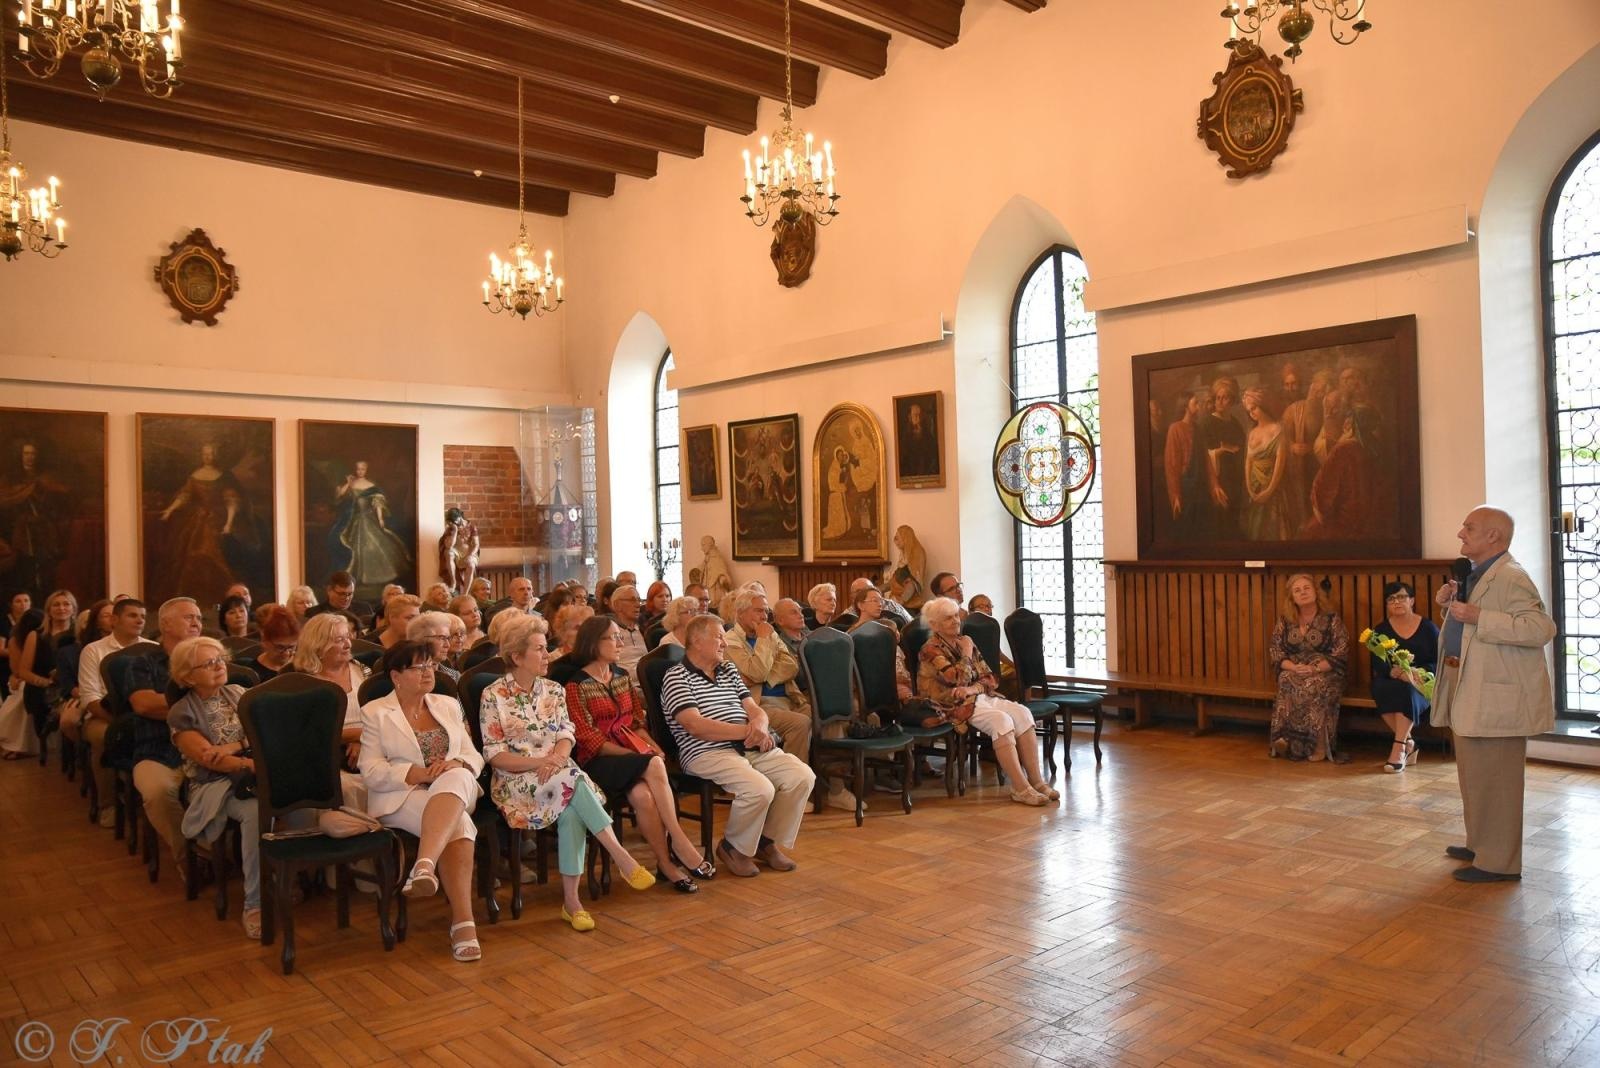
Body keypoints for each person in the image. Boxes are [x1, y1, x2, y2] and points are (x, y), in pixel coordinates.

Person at [478, 617, 656, 931]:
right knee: (574, 781)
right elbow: (495, 754)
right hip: (516, 780)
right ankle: (621, 857)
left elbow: (566, 733)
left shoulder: (554, 690)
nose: (547, 655)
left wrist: (558, 758)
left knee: (571, 803)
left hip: (558, 772)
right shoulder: (493, 696)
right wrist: (542, 763)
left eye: (545, 648)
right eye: (539, 649)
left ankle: (572, 903)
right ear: (517, 656)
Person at [1431, 506, 1557, 883]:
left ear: (1493, 536)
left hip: (1497, 696)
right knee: (1476, 775)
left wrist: (1478, 617)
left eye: (1469, 528)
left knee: (1498, 780)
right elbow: (1473, 625)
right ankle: (1481, 844)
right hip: (1471, 685)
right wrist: (1451, 606)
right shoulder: (1479, 573)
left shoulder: (1511, 576)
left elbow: (1540, 628)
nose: (1460, 533)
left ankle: (1499, 863)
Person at [564, 615, 713, 892]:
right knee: (653, 764)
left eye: (620, 637)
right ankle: (680, 841)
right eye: (614, 638)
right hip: (598, 761)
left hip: (632, 757)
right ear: (594, 643)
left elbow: (635, 722)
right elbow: (588, 738)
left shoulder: (621, 676)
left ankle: (666, 864)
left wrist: (651, 745)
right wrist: (637, 756)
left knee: (643, 796)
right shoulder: (576, 685)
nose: (620, 643)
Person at [661, 615, 816, 878]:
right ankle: (733, 848)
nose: (725, 643)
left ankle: (765, 842)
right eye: (719, 637)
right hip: (706, 751)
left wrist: (760, 726)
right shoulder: (677, 676)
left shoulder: (728, 670)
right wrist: (748, 731)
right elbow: (695, 725)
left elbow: (754, 708)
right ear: (696, 641)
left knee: (801, 776)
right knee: (760, 789)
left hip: (748, 745)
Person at [359, 641, 486, 962]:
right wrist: (415, 773)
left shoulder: (447, 704)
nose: (428, 672)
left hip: (455, 788)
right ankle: (463, 924)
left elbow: (473, 755)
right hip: (403, 795)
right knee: (460, 825)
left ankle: (424, 864)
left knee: (458, 774)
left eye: (431, 665)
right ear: (396, 676)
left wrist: (457, 763)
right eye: (418, 667)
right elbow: (370, 771)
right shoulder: (376, 712)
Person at [166, 636, 264, 939]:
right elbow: (211, 761)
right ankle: (254, 904)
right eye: (208, 663)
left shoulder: (240, 693)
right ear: (187, 677)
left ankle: (289, 877)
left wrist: (236, 745)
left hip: (254, 776)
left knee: (297, 800)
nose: (219, 666)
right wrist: (254, 764)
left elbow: (265, 733)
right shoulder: (182, 712)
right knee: (256, 811)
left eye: (220, 659)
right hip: (213, 784)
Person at [919, 597, 1057, 806]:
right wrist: (967, 655)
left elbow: (990, 678)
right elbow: (956, 679)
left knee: (1023, 713)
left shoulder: (965, 640)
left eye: (956, 616)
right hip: (951, 705)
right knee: (1002, 720)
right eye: (948, 618)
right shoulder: (930, 649)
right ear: (934, 625)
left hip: (978, 696)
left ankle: (1037, 782)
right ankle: (1020, 788)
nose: (956, 621)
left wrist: (972, 688)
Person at [127, 598, 206, 860]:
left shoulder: (211, 659)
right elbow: (144, 705)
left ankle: (216, 850)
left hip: (207, 746)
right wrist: (196, 702)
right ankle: (189, 858)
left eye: (199, 618)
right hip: (158, 747)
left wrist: (171, 706)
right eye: (189, 617)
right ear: (165, 625)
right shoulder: (143, 662)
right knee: (157, 792)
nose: (196, 623)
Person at [76, 598, 152, 823]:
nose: (139, 620)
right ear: (115, 620)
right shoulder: (94, 650)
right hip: (103, 716)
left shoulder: (152, 649)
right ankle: (107, 804)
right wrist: (119, 721)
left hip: (144, 714)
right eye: (132, 615)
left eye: (143, 616)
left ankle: (150, 797)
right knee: (106, 738)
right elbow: (90, 698)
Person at [1267, 574, 1349, 763]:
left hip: (1327, 672)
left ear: (1316, 592)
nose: (1302, 592)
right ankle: (1285, 740)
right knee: (1286, 679)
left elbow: (1341, 652)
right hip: (1295, 670)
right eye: (1297, 590)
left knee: (1313, 684)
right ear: (1292, 598)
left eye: (1306, 588)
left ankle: (1319, 744)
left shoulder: (1331, 619)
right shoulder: (1285, 620)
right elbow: (1275, 650)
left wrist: (1315, 669)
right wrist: (1293, 668)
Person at [293, 612, 370, 809]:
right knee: (349, 788)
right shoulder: (301, 681)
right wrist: (360, 734)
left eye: (348, 637)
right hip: (324, 758)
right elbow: (309, 734)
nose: (348, 644)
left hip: (372, 748)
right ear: (318, 646)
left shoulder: (363, 670)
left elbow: (381, 715)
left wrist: (363, 741)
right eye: (339, 640)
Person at [726, 590, 812, 763]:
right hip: (759, 705)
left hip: (790, 698)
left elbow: (791, 666)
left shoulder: (770, 634)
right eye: (758, 611)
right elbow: (756, 672)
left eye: (766, 611)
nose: (764, 616)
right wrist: (763, 639)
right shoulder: (731, 640)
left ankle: (829, 775)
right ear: (740, 613)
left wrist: (765, 677)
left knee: (823, 715)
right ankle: (794, 775)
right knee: (801, 723)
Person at [1367, 581, 1438, 773]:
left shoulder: (1428, 628)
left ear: (1412, 600)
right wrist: (1392, 672)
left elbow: (1439, 660)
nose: (1396, 602)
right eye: (1391, 599)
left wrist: (1415, 673)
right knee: (1379, 687)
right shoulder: (1381, 630)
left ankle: (1398, 748)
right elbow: (1377, 662)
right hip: (1392, 679)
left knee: (1407, 692)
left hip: (1421, 681)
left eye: (1401, 597)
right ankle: (1409, 743)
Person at [330, 460, 412, 593]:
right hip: (353, 519)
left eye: (362, 469)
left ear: (366, 470)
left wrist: (380, 519)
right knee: (354, 546)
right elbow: (340, 496)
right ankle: (356, 577)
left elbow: (377, 503)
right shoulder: (351, 484)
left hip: (368, 519)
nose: (360, 471)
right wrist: (348, 483)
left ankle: (373, 577)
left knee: (372, 545)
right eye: (358, 469)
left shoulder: (371, 486)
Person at [1242, 388, 1290, 541]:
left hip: (1273, 487)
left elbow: (1280, 463)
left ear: (1263, 405)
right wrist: (1250, 488)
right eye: (1249, 410)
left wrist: (1269, 491)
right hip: (1255, 487)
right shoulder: (1252, 432)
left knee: (1273, 529)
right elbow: (1248, 462)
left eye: (1254, 408)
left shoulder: (1278, 429)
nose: (1252, 413)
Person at [0, 607, 45, 758]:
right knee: (23, 691)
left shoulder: (46, 638)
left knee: (27, 691)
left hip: (40, 679)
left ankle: (23, 745)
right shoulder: (16, 640)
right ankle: (16, 744)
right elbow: (16, 669)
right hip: (23, 678)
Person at [606, 584, 649, 681]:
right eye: (632, 600)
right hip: (622, 684)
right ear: (617, 605)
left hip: (648, 683)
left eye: (639, 600)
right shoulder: (609, 632)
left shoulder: (644, 630)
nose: (638, 605)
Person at [247, 607, 299, 683]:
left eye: (291, 647)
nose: (287, 653)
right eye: (280, 647)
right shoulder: (251, 674)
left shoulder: (302, 668)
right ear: (265, 641)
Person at [407, 611, 460, 683]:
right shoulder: (405, 676)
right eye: (442, 638)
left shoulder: (455, 676)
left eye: (448, 638)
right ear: (422, 640)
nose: (447, 645)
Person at [306, 571, 372, 623]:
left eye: (350, 594)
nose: (346, 598)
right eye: (342, 594)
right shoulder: (314, 613)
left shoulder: (365, 609)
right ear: (329, 590)